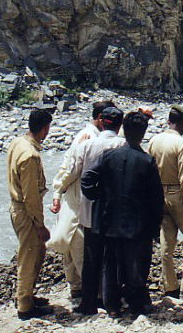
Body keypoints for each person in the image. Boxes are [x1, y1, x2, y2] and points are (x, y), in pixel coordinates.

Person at [80, 112, 164, 317]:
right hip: (138, 223)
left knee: (111, 264)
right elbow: (156, 198)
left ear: (124, 131)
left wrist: (100, 197)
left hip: (109, 220)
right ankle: (136, 304)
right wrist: (155, 225)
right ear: (143, 134)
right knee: (138, 264)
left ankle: (112, 306)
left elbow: (87, 179)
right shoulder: (147, 161)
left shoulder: (109, 156)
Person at [55, 106, 127, 315]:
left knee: (91, 257)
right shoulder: (123, 145)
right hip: (115, 212)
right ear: (119, 125)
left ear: (101, 121)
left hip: (89, 211)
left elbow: (72, 172)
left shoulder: (85, 145)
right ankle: (111, 302)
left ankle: (88, 303)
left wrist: (58, 192)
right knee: (112, 258)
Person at [48, 100, 114, 300]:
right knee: (79, 246)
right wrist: (58, 191)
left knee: (71, 244)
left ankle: (76, 287)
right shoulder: (87, 138)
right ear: (101, 119)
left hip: (75, 197)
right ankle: (86, 290)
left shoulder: (88, 135)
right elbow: (70, 167)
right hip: (78, 199)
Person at [7, 109, 54, 319]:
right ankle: (25, 306)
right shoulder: (31, 156)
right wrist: (40, 225)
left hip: (17, 208)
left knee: (36, 253)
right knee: (29, 257)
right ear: (45, 129)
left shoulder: (18, 142)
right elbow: (31, 197)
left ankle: (27, 296)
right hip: (26, 212)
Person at [146, 105, 183, 299]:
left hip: (158, 195)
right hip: (176, 194)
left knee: (167, 243)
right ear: (182, 124)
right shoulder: (182, 144)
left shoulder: (154, 141)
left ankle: (170, 286)